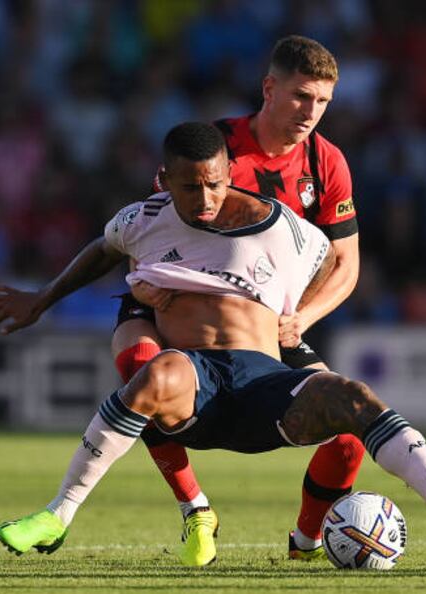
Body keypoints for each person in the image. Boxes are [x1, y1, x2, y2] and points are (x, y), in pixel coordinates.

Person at [0, 122, 426, 564]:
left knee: (352, 398)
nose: (205, 197)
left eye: (213, 182)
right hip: (196, 382)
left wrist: (297, 316)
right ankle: (58, 514)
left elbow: (333, 263)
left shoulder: (287, 231)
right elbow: (102, 249)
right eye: (189, 187)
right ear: (164, 180)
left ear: (229, 173)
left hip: (264, 382)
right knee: (155, 372)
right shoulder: (143, 220)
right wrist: (42, 299)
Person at [113, 35, 365, 566]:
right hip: (175, 296)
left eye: (322, 102)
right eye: (300, 96)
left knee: (349, 437)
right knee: (140, 367)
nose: (310, 112)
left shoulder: (326, 163)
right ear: (269, 88)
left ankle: (305, 544)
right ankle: (194, 509)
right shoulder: (213, 146)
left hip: (266, 319)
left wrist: (303, 317)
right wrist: (142, 282)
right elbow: (147, 230)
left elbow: (346, 264)